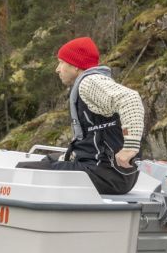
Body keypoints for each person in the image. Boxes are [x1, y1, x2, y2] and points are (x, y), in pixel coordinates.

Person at [16, 37, 144, 195]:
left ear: (75, 66)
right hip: (109, 171)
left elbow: (130, 99)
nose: (57, 69)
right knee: (49, 161)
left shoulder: (89, 82)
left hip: (106, 173)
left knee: (24, 171)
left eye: (61, 63)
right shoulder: (91, 82)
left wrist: (130, 148)